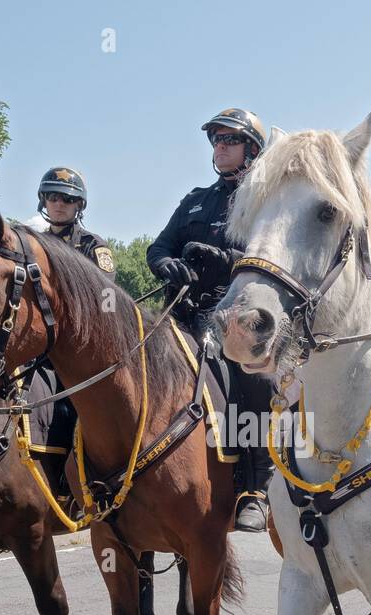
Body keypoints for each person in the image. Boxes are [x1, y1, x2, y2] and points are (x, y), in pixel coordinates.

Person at [147, 108, 273, 532]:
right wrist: (168, 265)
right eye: (216, 139)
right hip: (182, 314)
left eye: (229, 140)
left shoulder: (267, 199)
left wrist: (228, 260)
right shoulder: (195, 200)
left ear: (252, 150)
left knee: (253, 379)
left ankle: (256, 486)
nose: (220, 146)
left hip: (237, 313)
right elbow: (159, 247)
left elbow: (272, 259)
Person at [35, 167, 116, 273]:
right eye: (53, 196)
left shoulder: (92, 245)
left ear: (79, 204)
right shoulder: (35, 244)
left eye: (67, 198)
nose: (59, 203)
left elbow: (105, 288)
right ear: (43, 201)